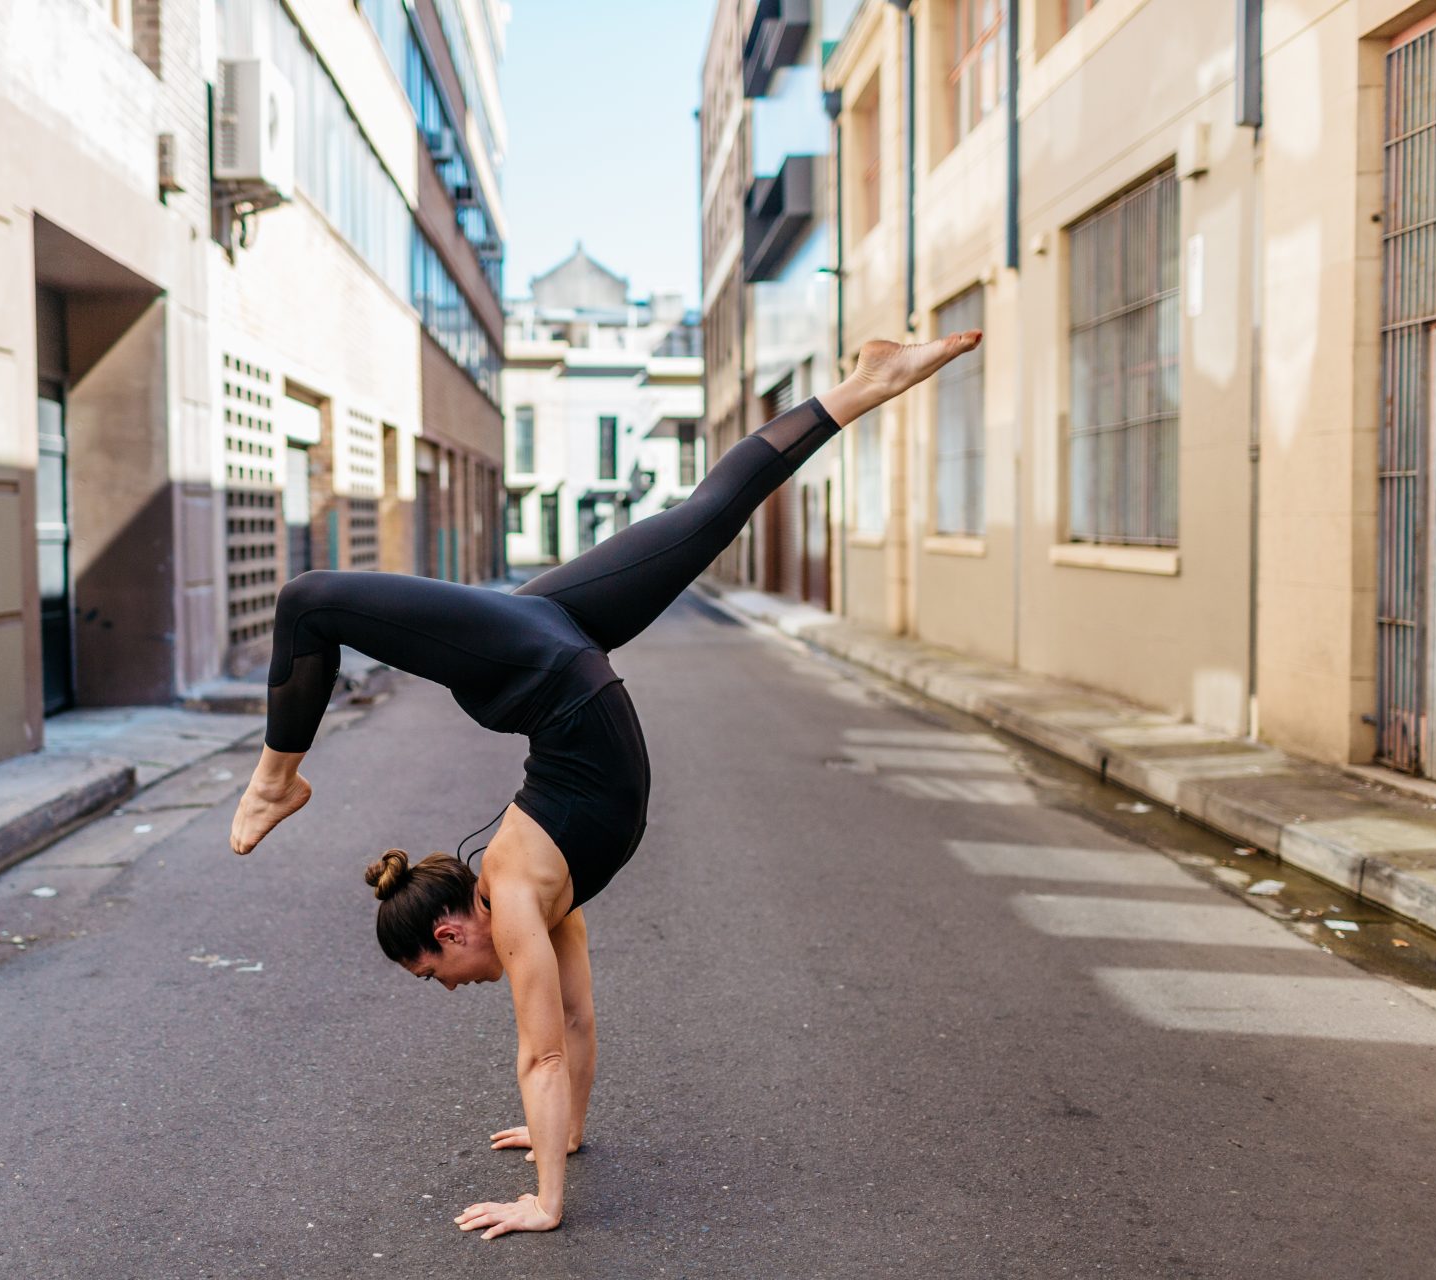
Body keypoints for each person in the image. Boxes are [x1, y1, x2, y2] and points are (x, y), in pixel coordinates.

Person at [230, 333, 983, 1238]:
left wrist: (544, 1203)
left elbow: (542, 1051)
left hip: (538, 674)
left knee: (310, 600)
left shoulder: (514, 899)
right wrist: (569, 1133)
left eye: (438, 972)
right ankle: (865, 388)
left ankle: (277, 781)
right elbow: (580, 1020)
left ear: (449, 928)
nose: (454, 985)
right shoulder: (537, 893)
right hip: (560, 651)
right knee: (709, 513)